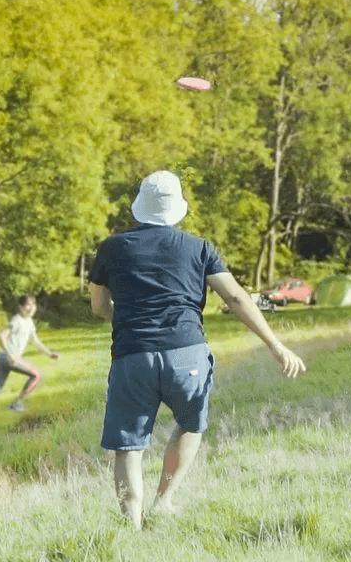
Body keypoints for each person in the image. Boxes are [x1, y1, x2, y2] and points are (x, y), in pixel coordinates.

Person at [88, 170, 306, 528]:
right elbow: (235, 297)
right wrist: (276, 345)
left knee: (128, 445)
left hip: (133, 354)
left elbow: (98, 307)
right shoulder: (199, 248)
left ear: (140, 207)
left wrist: (129, 320)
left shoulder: (113, 248)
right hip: (186, 352)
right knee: (190, 423)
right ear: (177, 209)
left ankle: (132, 526)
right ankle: (165, 501)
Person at [0, 294, 60, 423]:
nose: (32, 308)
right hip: (7, 358)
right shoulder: (17, 320)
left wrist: (49, 354)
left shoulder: (29, 322)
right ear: (21, 307)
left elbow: (36, 342)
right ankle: (17, 403)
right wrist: (10, 355)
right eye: (28, 305)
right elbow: (1, 335)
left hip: (2, 358)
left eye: (34, 305)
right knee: (37, 375)